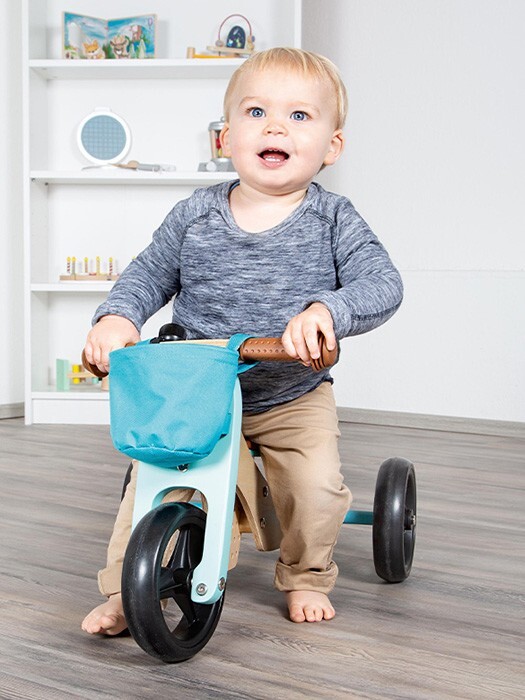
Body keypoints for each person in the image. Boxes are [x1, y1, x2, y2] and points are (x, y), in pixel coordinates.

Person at [81, 47, 403, 635]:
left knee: (315, 487)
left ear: (331, 147)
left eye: (299, 116)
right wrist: (119, 318)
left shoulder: (334, 219)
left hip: (291, 394)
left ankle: (306, 573)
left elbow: (382, 283)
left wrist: (328, 309)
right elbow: (147, 274)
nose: (275, 127)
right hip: (199, 390)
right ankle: (126, 590)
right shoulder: (195, 214)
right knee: (153, 482)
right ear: (226, 138)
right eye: (257, 112)